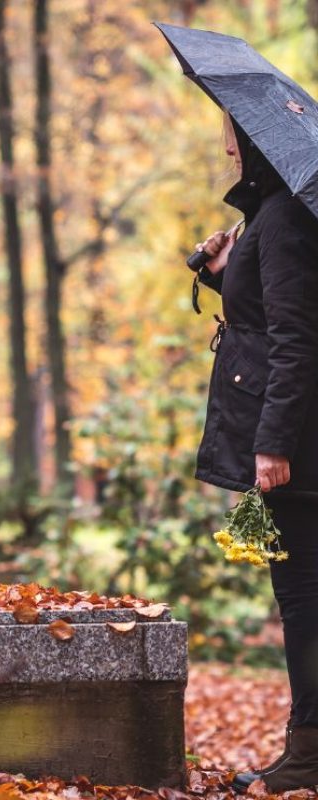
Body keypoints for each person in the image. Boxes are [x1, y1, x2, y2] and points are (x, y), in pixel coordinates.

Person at [193, 109, 318, 793]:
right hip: (298, 441)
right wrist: (222, 270)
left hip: (300, 450)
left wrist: (272, 444)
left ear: (256, 143)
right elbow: (269, 311)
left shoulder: (285, 218)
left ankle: (309, 755)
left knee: (303, 601)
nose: (227, 152)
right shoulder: (272, 216)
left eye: (232, 140)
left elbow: (296, 340)